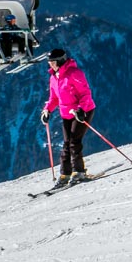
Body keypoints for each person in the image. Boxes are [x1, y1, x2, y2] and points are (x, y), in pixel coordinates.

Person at [40, 48, 97, 187]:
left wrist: (81, 109)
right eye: (49, 62)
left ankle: (79, 172)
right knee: (66, 144)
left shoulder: (74, 73)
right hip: (66, 114)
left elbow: (85, 94)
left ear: (60, 61)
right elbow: (54, 98)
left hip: (82, 111)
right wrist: (46, 110)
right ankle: (65, 174)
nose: (50, 65)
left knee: (74, 141)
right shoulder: (54, 77)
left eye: (53, 62)